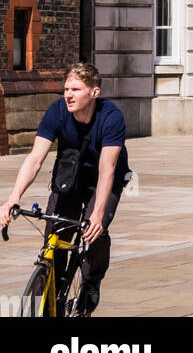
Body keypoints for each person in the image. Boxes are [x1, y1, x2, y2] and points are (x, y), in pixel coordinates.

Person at [0, 62, 130, 315]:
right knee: (55, 235)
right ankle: (51, 291)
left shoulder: (111, 117)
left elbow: (108, 168)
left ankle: (91, 281)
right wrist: (12, 198)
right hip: (69, 176)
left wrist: (97, 215)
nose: (68, 95)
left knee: (95, 233)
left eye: (76, 89)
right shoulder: (57, 111)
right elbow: (35, 158)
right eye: (66, 89)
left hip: (104, 179)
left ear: (94, 92)